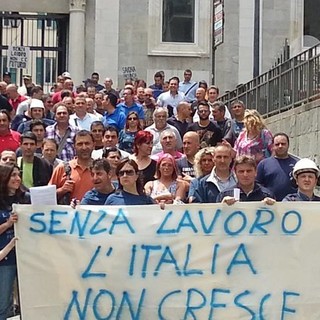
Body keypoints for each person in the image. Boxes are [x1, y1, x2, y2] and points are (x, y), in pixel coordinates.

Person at [0, 164, 30, 320]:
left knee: (29, 302)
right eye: (13, 175)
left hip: (27, 257)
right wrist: (7, 224)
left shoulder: (26, 198)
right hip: (5, 260)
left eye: (19, 175)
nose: (17, 179)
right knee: (3, 304)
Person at [49, 130, 95, 203]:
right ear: (74, 146)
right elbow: (47, 195)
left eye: (87, 143)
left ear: (93, 145)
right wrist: (62, 190)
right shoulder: (63, 168)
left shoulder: (99, 169)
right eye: (80, 144)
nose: (84, 147)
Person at [257, 133, 298, 201]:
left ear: (288, 145)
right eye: (277, 144)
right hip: (271, 205)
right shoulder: (263, 164)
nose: (280, 146)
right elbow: (257, 184)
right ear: (272, 146)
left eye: (283, 144)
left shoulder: (297, 164)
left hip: (292, 205)